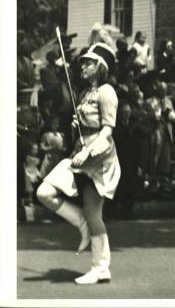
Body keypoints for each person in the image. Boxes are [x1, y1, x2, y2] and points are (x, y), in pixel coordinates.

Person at [36, 41, 121, 284]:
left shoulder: (106, 91)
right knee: (45, 192)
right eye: (83, 61)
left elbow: (107, 132)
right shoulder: (85, 93)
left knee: (94, 210)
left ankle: (100, 267)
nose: (83, 65)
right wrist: (76, 127)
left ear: (101, 67)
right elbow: (87, 127)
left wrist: (89, 151)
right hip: (79, 154)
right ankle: (81, 223)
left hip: (100, 158)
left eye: (89, 62)